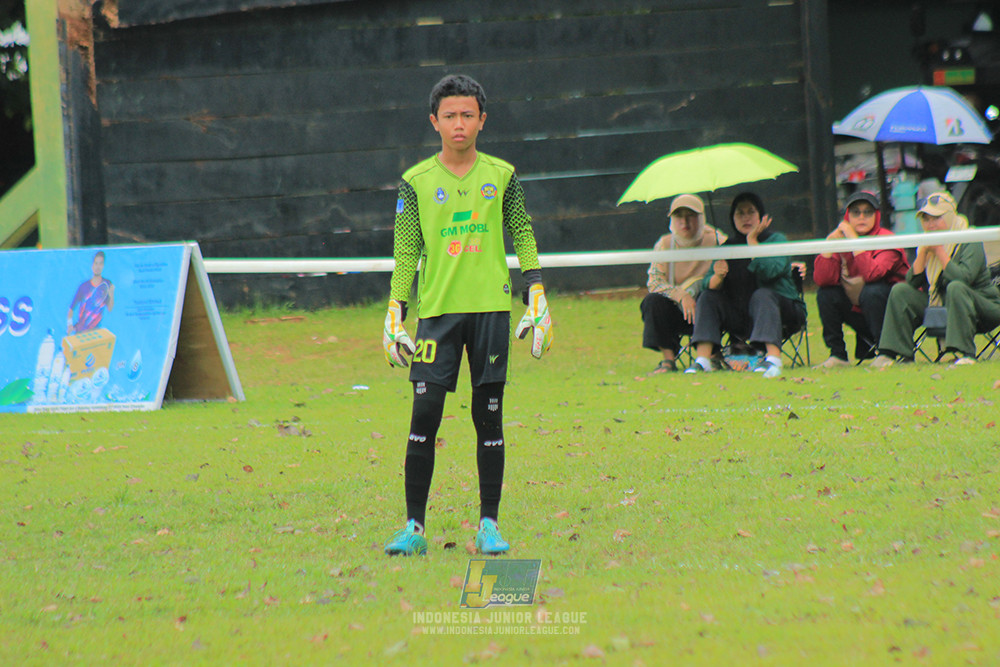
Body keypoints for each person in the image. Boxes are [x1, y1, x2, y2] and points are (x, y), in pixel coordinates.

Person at [381, 74, 553, 557]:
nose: (460, 124)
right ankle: (414, 529)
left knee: (489, 418)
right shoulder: (415, 182)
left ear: (483, 120)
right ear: (434, 121)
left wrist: (535, 290)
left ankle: (489, 526)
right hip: (437, 315)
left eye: (468, 115)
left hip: (491, 312)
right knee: (424, 415)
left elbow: (522, 232)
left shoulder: (503, 175)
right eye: (450, 115)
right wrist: (396, 312)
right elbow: (405, 254)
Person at [684, 191, 806, 378]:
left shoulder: (777, 240)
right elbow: (709, 284)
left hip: (781, 310)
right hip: (739, 315)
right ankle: (703, 360)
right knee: (707, 296)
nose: (746, 217)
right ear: (733, 218)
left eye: (751, 212)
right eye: (740, 213)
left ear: (761, 216)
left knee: (763, 295)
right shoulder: (726, 247)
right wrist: (718, 276)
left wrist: (752, 243)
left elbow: (771, 271)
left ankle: (773, 360)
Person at [873, 191, 1000, 367]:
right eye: (926, 219)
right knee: (900, 291)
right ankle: (894, 353)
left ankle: (966, 354)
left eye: (936, 218)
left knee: (956, 287)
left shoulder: (970, 239)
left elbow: (964, 278)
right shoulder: (926, 241)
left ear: (949, 217)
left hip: (984, 306)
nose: (930, 224)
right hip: (941, 304)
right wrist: (923, 253)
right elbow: (912, 282)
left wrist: (940, 252)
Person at [812, 191, 909, 367]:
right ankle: (838, 355)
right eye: (855, 212)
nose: (861, 217)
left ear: (876, 215)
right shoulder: (842, 240)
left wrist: (855, 242)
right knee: (826, 294)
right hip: (859, 311)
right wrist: (828, 246)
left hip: (892, 315)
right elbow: (822, 280)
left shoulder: (886, 239)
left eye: (868, 212)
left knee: (874, 290)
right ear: (848, 216)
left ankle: (886, 352)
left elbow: (873, 274)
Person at [640, 194, 726, 373]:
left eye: (691, 216)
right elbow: (654, 281)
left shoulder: (718, 240)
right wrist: (681, 295)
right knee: (652, 301)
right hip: (678, 310)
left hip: (710, 308)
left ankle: (712, 355)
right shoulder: (664, 244)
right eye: (679, 216)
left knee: (710, 298)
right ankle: (668, 360)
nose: (684, 222)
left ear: (701, 217)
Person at [67, 250, 115, 335]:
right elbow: (71, 309)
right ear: (92, 266)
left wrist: (111, 294)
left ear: (103, 266)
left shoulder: (107, 284)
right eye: (96, 263)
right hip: (80, 332)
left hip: (95, 333)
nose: (98, 266)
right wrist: (69, 324)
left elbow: (110, 308)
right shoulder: (83, 287)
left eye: (100, 264)